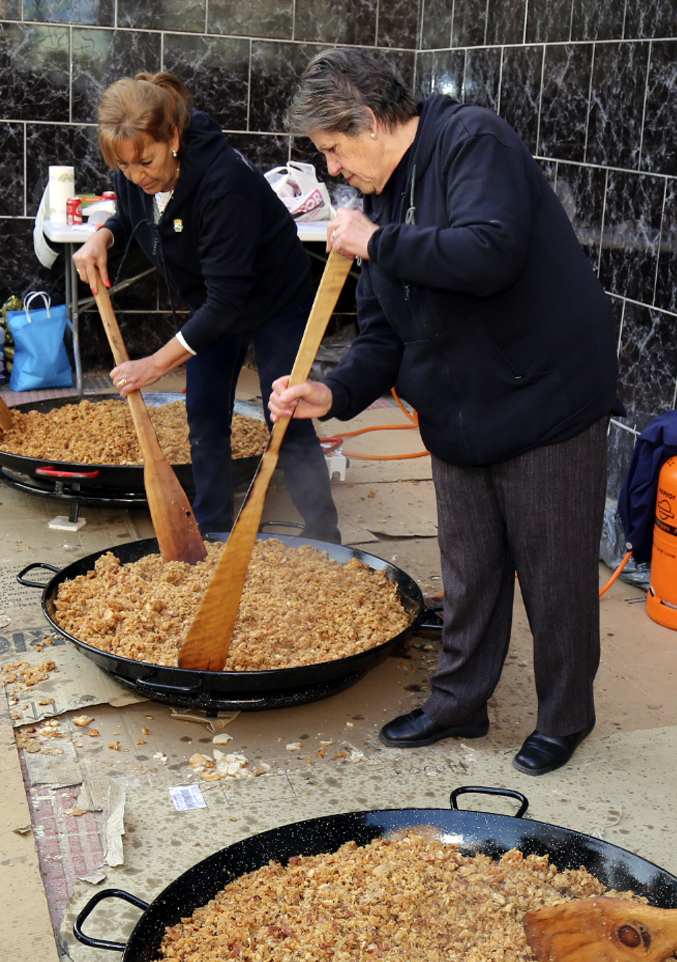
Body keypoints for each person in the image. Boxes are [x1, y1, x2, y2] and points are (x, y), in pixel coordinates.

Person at [271, 48, 620, 775]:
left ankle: (566, 717)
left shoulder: (472, 141)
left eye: (334, 149)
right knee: (469, 568)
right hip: (459, 406)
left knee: (553, 575)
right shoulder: (379, 196)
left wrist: (377, 242)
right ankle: (459, 702)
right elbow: (382, 332)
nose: (333, 169)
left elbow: (489, 251)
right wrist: (333, 393)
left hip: (545, 396)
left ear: (369, 121)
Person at [72, 73, 339, 543]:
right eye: (125, 166)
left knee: (286, 412)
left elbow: (228, 301)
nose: (137, 175)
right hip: (214, 301)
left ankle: (323, 536)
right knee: (204, 414)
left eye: (146, 162)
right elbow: (133, 209)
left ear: (173, 138)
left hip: (275, 298)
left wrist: (155, 364)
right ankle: (212, 532)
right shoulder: (134, 163)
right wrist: (105, 234)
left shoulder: (224, 182)